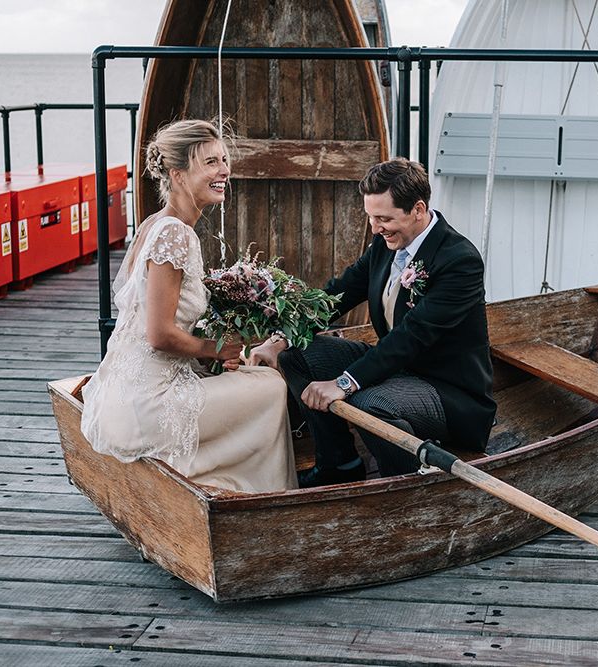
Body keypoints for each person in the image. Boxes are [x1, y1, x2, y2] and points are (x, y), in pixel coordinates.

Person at [247, 158, 496, 487]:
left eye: (384, 218)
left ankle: (402, 484)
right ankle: (340, 464)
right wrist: (280, 339)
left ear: (418, 209)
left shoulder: (459, 260)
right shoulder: (385, 245)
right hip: (396, 370)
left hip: (447, 392)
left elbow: (411, 337)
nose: (375, 228)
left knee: (368, 404)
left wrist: (343, 383)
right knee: (297, 355)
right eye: (371, 217)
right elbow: (336, 296)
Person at [80, 119, 297, 493]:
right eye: (211, 162)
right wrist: (218, 349)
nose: (224, 171)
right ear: (178, 175)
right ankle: (258, 496)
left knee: (246, 379)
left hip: (122, 390)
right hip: (148, 404)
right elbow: (159, 335)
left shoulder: (154, 224)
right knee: (270, 387)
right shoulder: (175, 234)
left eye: (224, 160)